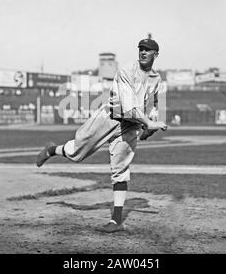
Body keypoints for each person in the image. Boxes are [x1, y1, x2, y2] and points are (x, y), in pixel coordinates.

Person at [36, 38, 167, 233]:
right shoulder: (126, 71)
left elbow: (154, 104)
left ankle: (116, 220)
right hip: (109, 118)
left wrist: (150, 125)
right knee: (76, 153)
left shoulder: (156, 79)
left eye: (148, 50)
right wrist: (148, 123)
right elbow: (129, 106)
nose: (143, 52)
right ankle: (52, 149)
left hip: (130, 127)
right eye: (141, 49)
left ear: (156, 54)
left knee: (121, 169)